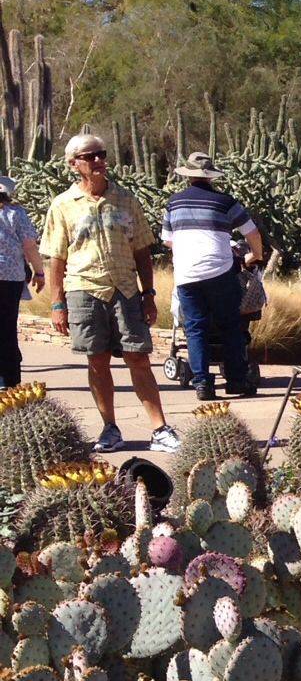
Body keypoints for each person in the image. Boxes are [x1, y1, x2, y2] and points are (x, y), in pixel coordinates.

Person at [40, 131, 179, 452]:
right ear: (74, 164)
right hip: (84, 291)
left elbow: (142, 251)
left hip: (126, 289)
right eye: (90, 156)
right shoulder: (63, 206)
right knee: (97, 361)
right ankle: (109, 429)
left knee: (138, 358)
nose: (99, 160)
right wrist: (57, 303)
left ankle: (160, 429)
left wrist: (148, 294)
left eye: (101, 153)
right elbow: (56, 258)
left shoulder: (126, 199)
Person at [160, 153, 265, 401]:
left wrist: (189, 250)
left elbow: (167, 239)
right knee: (231, 326)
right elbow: (252, 233)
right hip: (220, 271)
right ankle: (236, 381)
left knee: (195, 328)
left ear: (188, 176)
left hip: (187, 274)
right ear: (211, 177)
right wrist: (256, 255)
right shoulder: (226, 202)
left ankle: (202, 384)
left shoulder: (173, 203)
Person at [0, 175, 46, 388]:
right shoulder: (16, 214)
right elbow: (29, 246)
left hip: (10, 277)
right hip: (10, 278)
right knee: (7, 328)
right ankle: (9, 380)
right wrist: (39, 272)